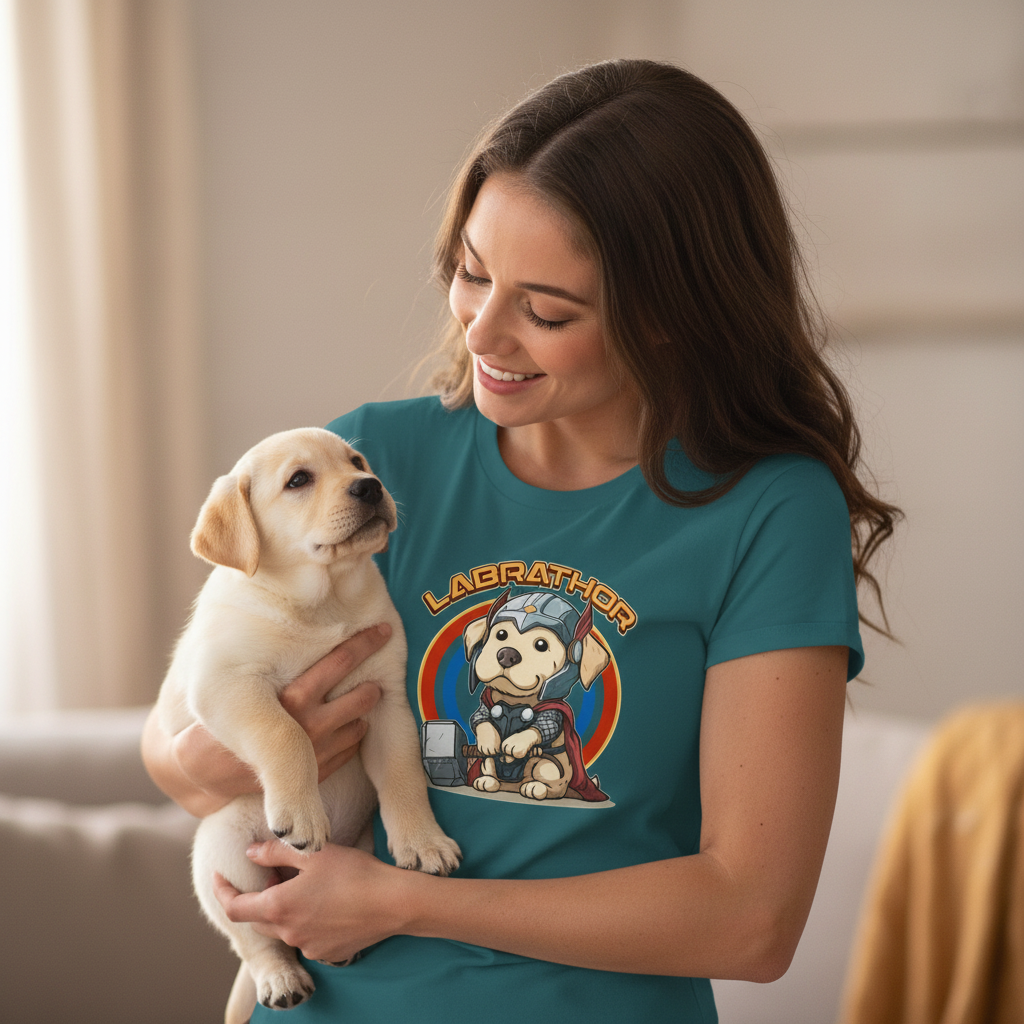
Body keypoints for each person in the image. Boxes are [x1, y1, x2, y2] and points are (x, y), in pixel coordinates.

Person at [142, 58, 900, 1023]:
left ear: (669, 317)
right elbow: (175, 734)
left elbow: (752, 920)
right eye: (471, 272)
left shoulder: (768, 512)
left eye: (545, 310)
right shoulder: (372, 463)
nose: (484, 332)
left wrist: (412, 902)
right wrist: (211, 759)